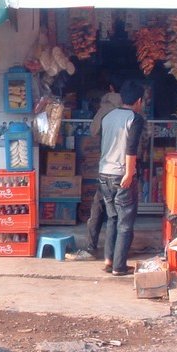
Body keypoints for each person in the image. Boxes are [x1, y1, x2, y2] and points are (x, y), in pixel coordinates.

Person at [67, 82, 122, 261]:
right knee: (119, 215)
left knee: (99, 209)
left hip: (106, 167)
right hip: (124, 169)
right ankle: (114, 257)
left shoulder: (104, 110)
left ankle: (92, 248)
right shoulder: (132, 113)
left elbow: (93, 131)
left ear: (111, 89)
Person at [97, 80, 145, 276]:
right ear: (139, 100)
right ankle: (119, 266)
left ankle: (109, 260)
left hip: (104, 173)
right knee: (125, 222)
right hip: (121, 174)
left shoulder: (108, 117)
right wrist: (128, 173)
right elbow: (131, 147)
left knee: (112, 219)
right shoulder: (135, 118)